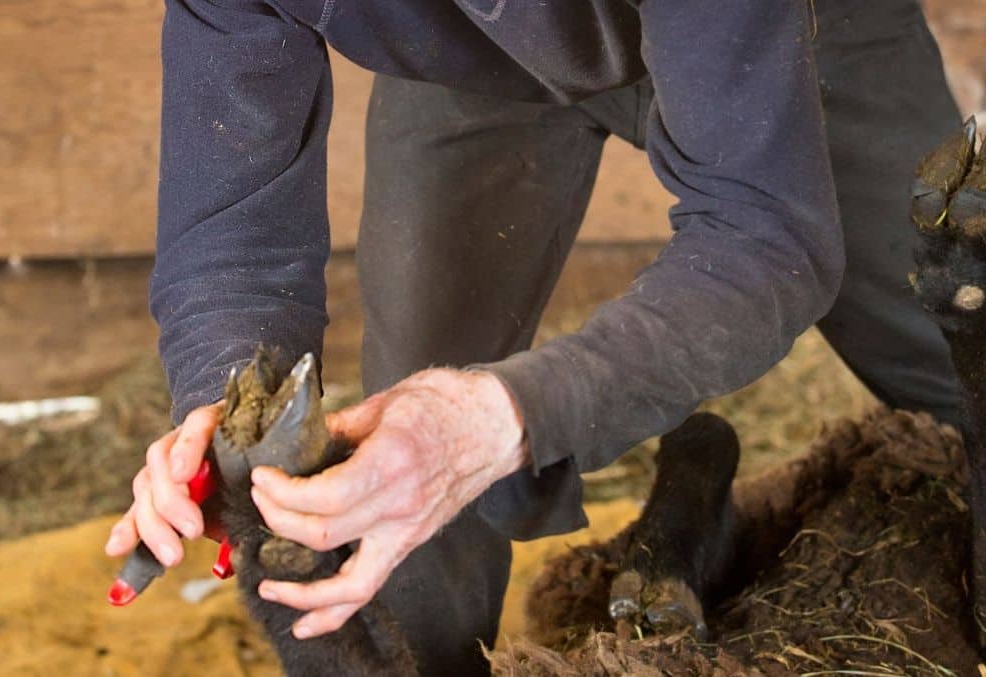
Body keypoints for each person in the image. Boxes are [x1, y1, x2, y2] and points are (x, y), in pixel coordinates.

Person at [105, 0, 963, 673]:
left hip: (782, 33)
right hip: (472, 61)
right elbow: (235, 240)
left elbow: (769, 238)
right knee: (394, 454)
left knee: (954, 343)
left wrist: (507, 415)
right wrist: (231, 406)